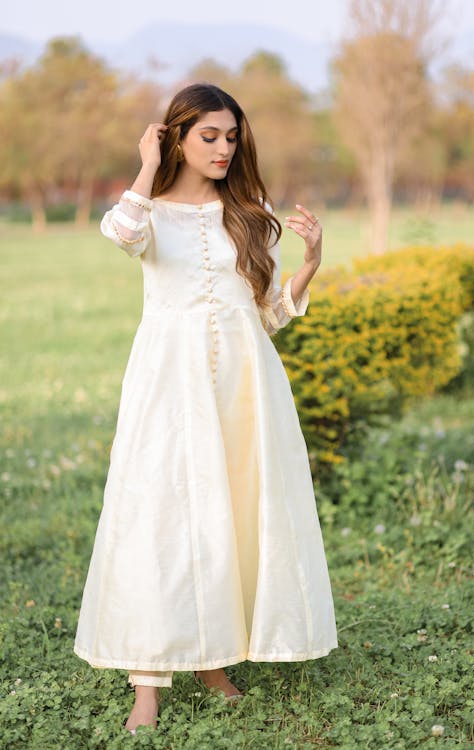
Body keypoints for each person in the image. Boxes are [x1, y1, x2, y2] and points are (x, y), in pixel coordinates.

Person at [73, 83, 337, 735]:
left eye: (231, 136)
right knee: (163, 515)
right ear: (177, 138)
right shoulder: (148, 210)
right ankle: (148, 681)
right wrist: (144, 163)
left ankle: (214, 660)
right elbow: (121, 232)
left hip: (246, 387)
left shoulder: (247, 209)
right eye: (208, 136)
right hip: (171, 384)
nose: (223, 148)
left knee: (233, 514)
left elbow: (269, 313)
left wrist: (310, 263)